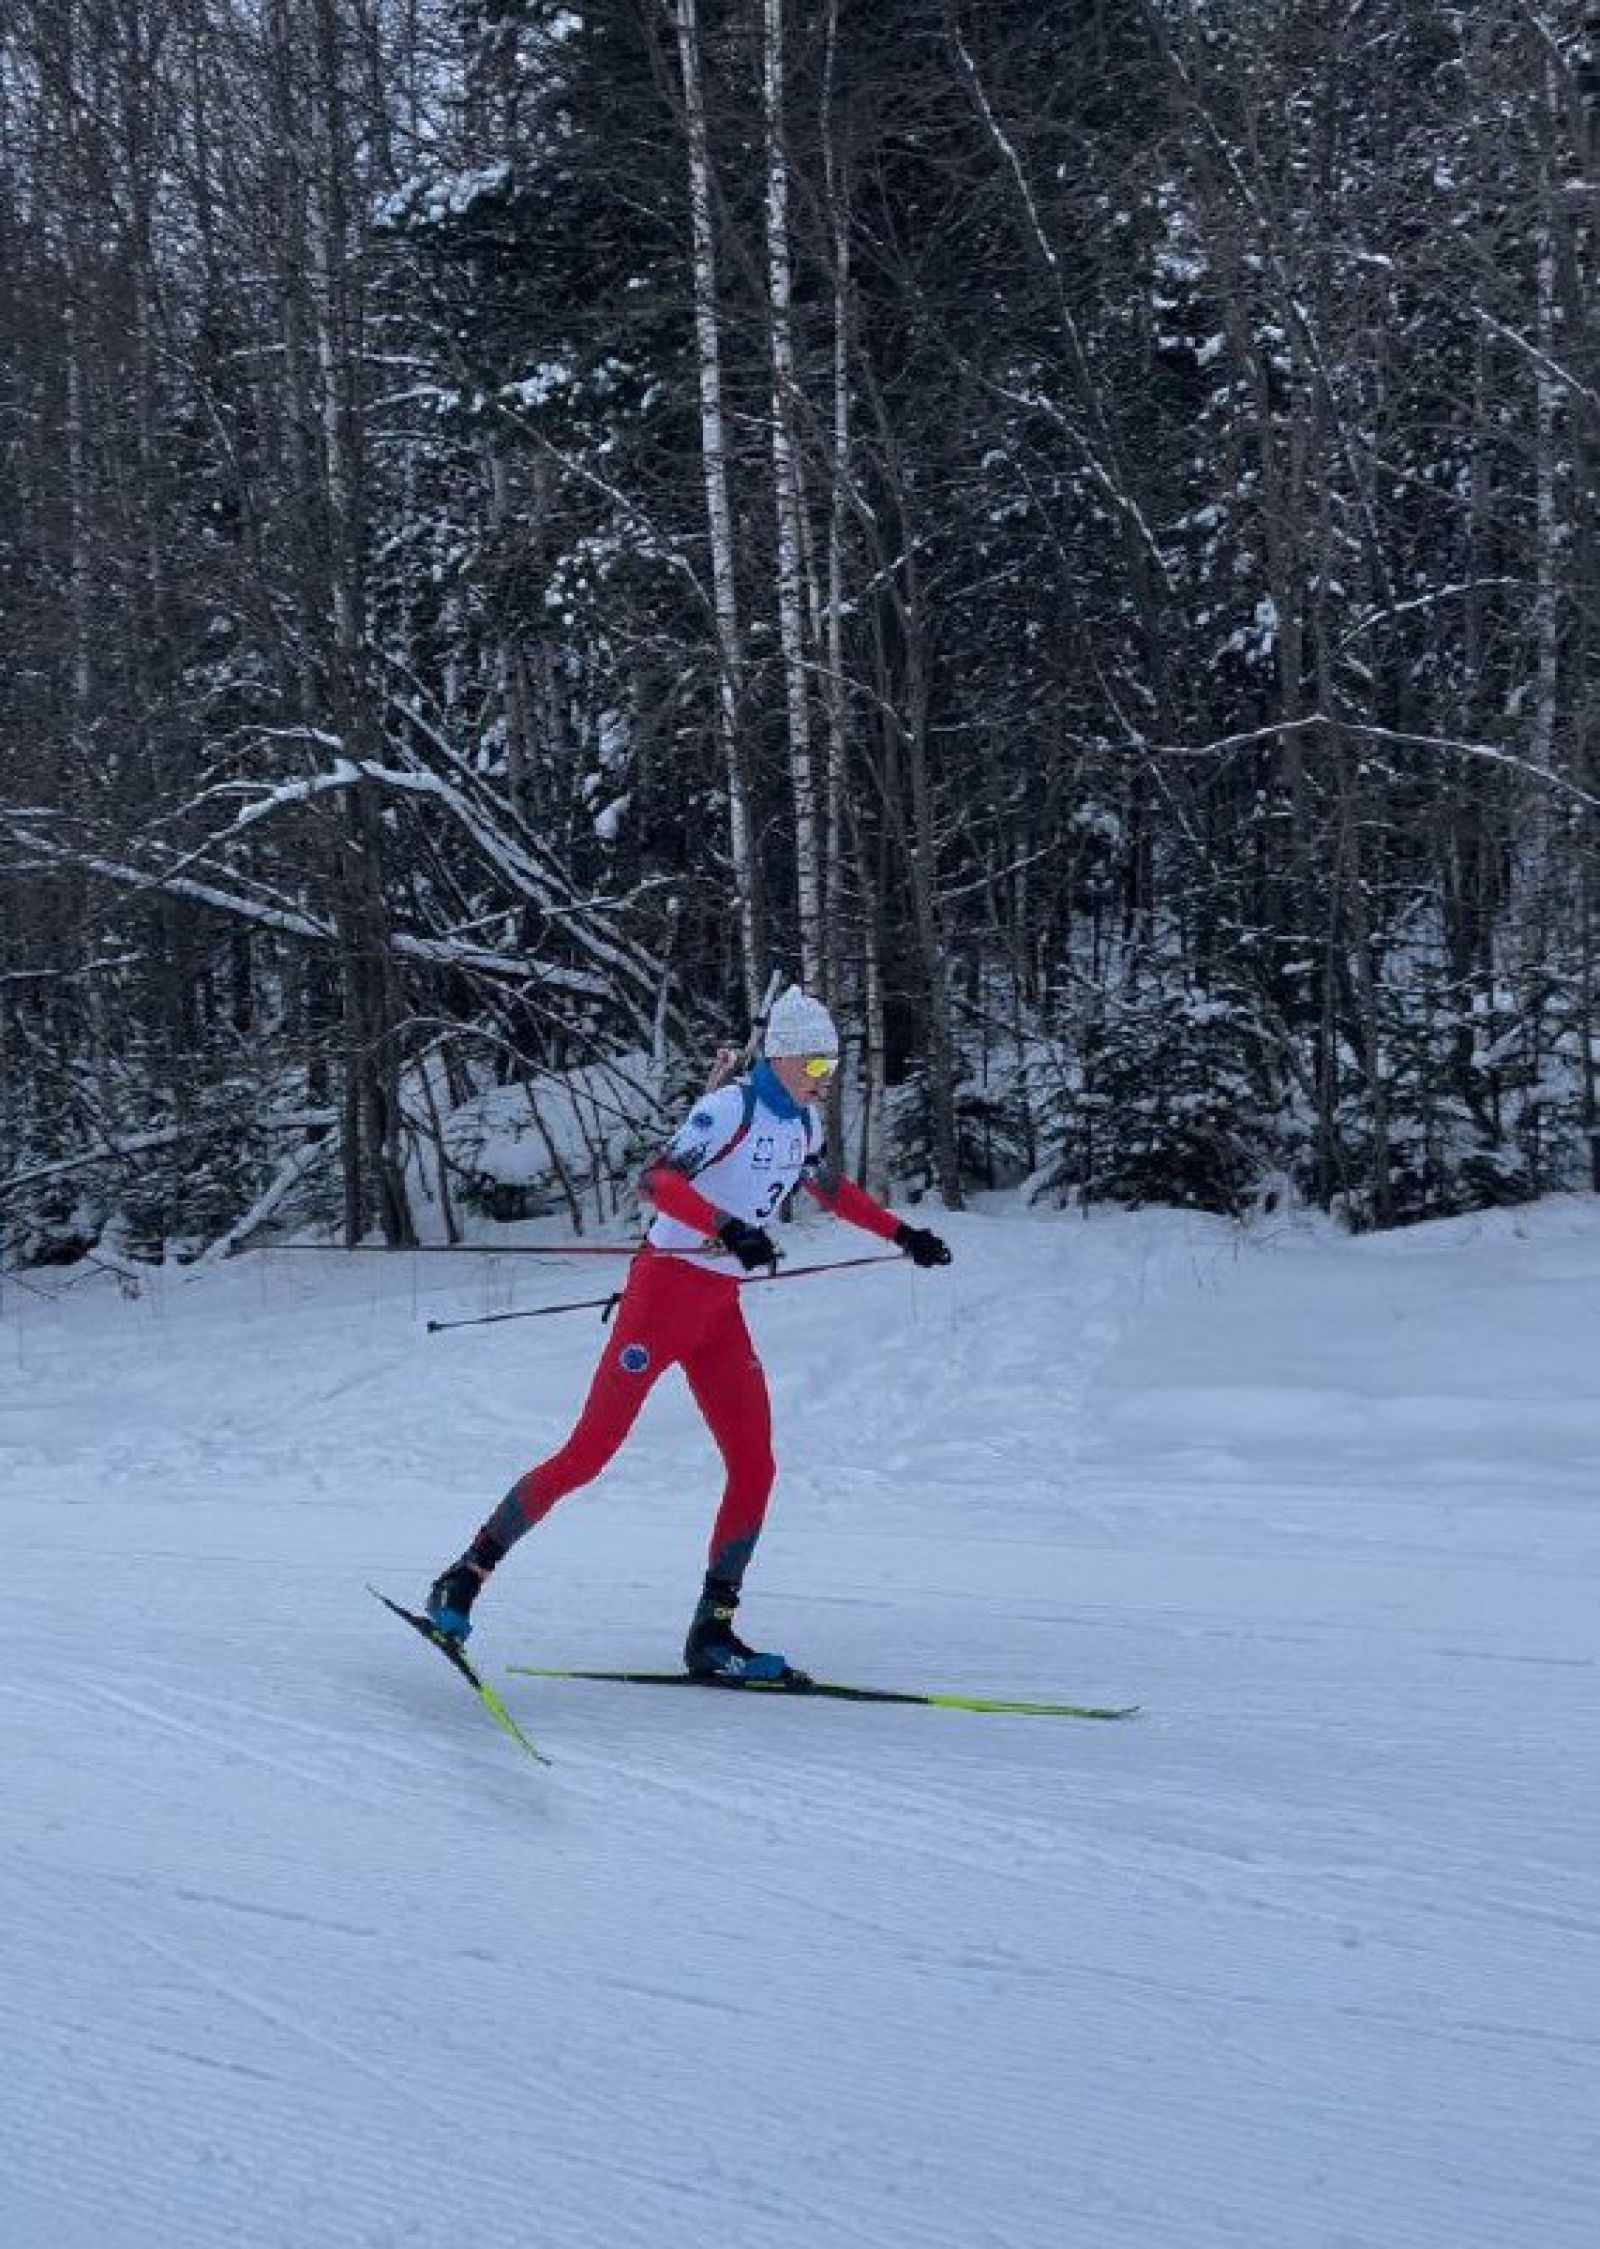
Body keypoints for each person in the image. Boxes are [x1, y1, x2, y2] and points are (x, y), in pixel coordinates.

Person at [423, 984, 953, 1681]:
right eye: (817, 1064)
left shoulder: (803, 1124)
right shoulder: (729, 1108)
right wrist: (727, 1226)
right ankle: (463, 1577)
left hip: (718, 1311)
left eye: (832, 1065)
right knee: (587, 1454)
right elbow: (657, 1182)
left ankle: (713, 1631)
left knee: (755, 1465)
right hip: (661, 1298)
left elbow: (831, 1191)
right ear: (783, 1056)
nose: (825, 1079)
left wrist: (903, 1234)